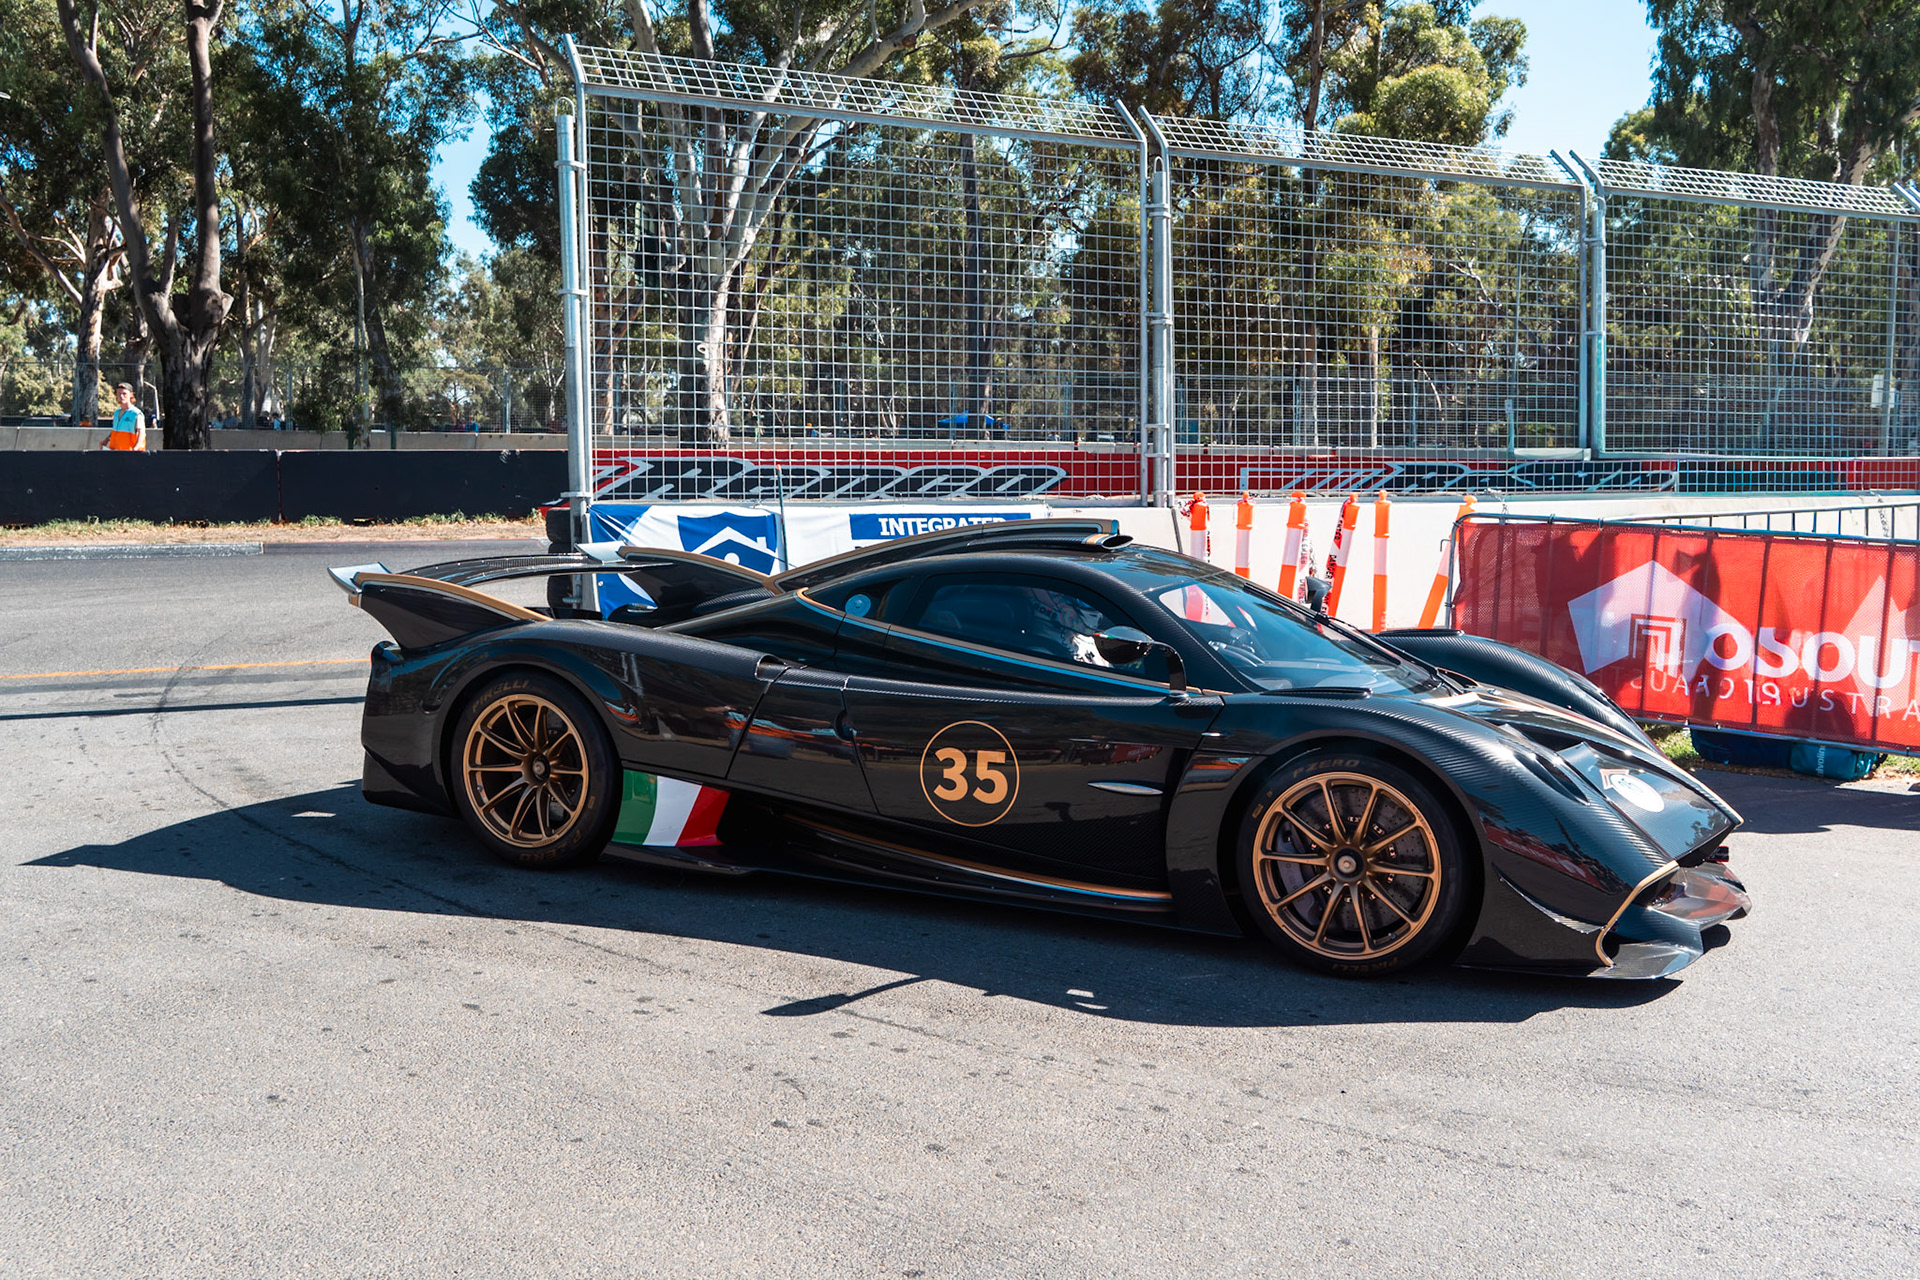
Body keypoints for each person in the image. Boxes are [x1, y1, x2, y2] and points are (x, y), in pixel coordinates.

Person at [102, 383, 147, 451]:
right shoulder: (117, 412)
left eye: (124, 394)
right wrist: (106, 440)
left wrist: (135, 449)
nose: (121, 396)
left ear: (130, 395)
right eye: (119, 393)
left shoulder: (136, 413)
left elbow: (141, 433)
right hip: (115, 451)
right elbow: (116, 430)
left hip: (130, 453)